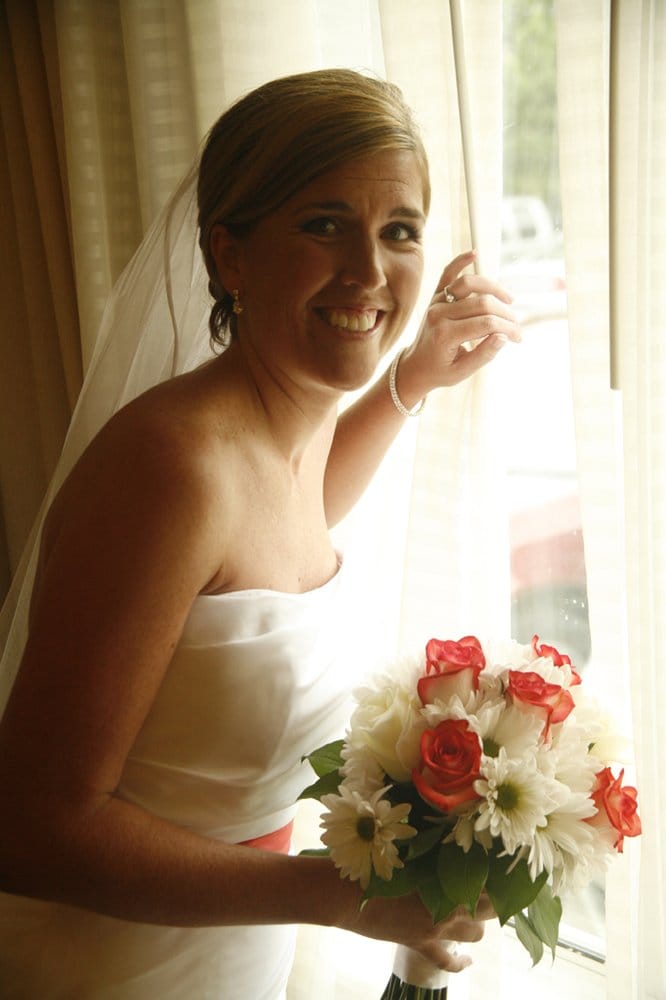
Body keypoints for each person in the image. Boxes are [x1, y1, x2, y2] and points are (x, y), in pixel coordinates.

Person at [0, 69, 520, 998]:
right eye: (324, 224)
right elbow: (29, 827)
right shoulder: (168, 468)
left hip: (231, 956)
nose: (369, 271)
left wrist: (410, 380)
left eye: (399, 231)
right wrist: (337, 897)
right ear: (231, 255)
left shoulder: (290, 425)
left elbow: (281, 534)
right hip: (110, 967)